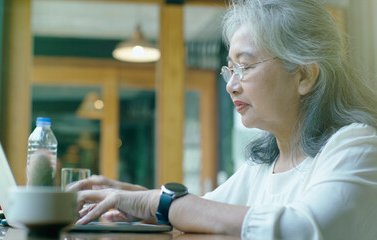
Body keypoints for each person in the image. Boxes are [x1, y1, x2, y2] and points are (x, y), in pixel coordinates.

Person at [68, 0, 377, 239]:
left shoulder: (357, 146)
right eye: (230, 69)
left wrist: (152, 202)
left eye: (245, 66)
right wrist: (128, 196)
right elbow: (204, 211)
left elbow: (302, 229)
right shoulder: (262, 167)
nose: (231, 84)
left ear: (304, 76)